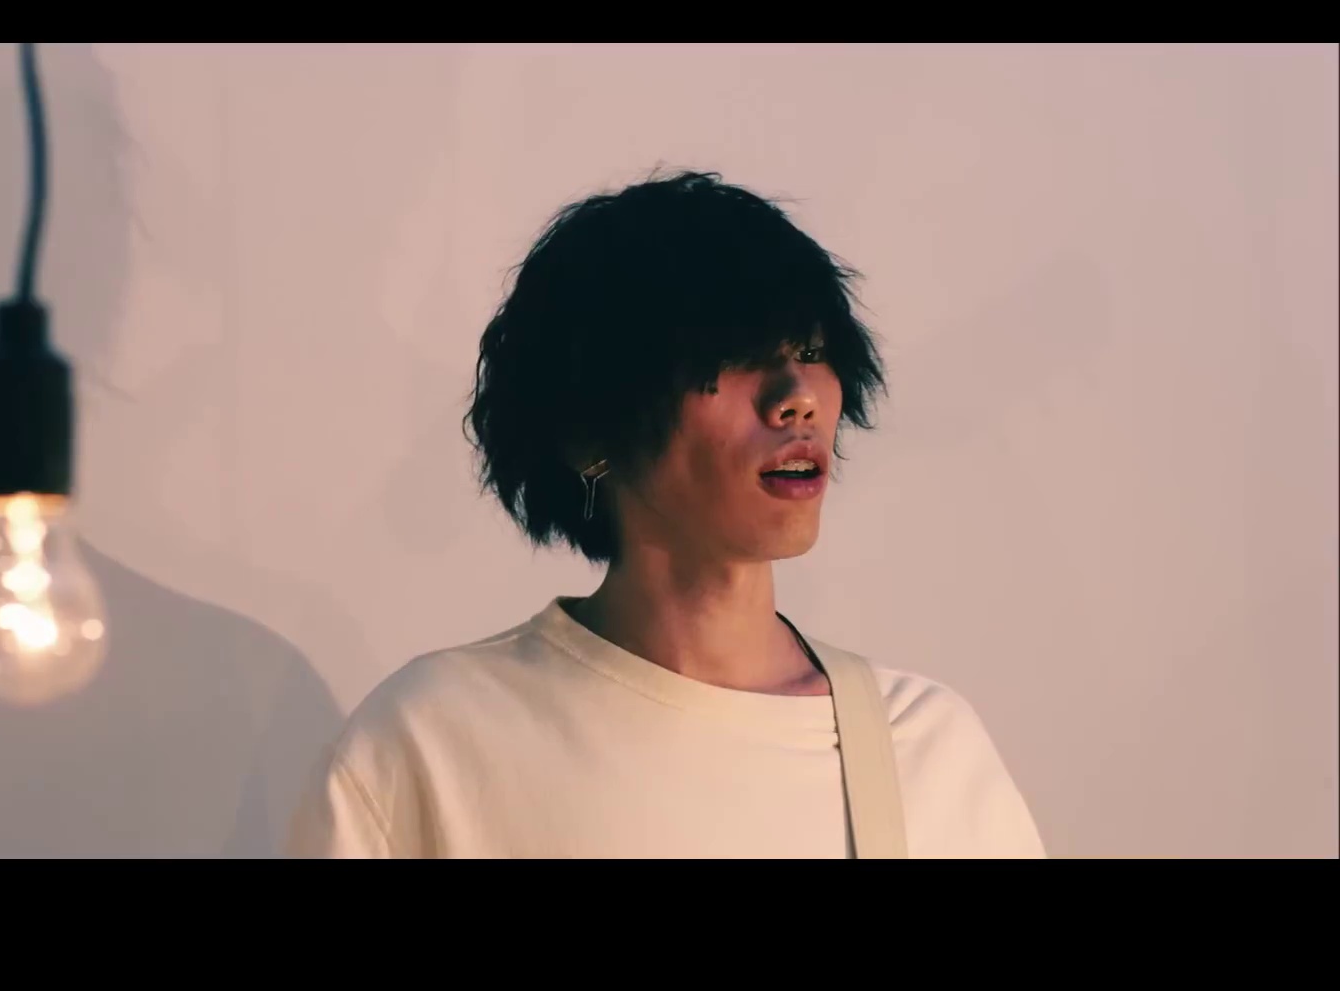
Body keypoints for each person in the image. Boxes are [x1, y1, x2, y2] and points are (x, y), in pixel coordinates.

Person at [283, 169, 1045, 859]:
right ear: (589, 429)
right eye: (735, 357)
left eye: (812, 351)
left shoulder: (927, 752)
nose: (797, 397)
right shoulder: (431, 747)